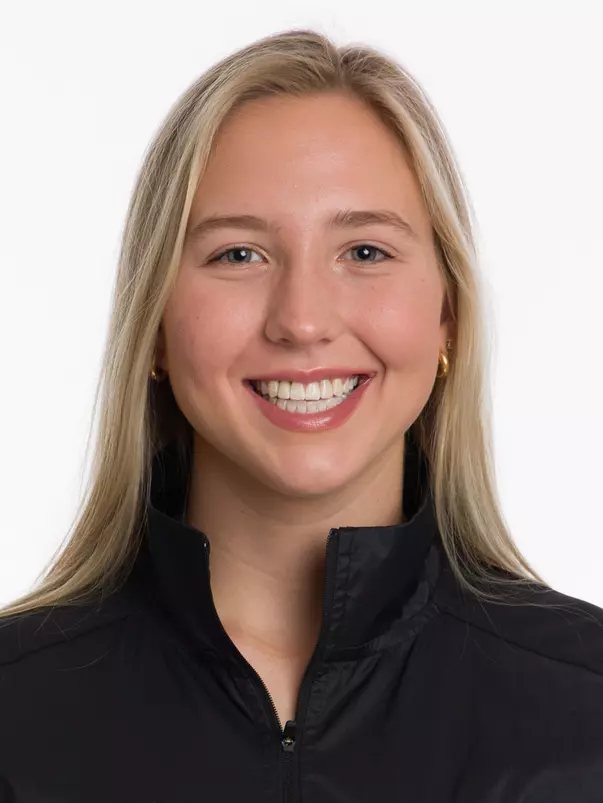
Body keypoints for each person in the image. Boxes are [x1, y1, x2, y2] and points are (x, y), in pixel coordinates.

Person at [1, 27, 602, 803]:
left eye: (365, 252)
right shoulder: (17, 716)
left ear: (446, 317)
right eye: (238, 254)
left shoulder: (584, 711)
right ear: (155, 327)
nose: (303, 319)